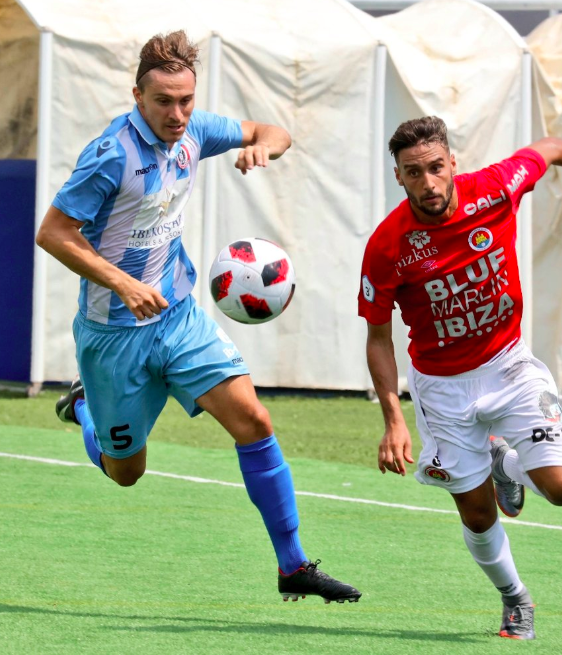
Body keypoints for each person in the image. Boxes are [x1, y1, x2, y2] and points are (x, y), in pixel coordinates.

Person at [36, 30, 360, 605]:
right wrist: (122, 283)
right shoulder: (110, 155)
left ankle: (292, 566)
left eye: (186, 100)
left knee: (254, 420)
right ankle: (85, 406)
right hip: (113, 338)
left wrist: (264, 148)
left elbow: (273, 131)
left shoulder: (195, 130)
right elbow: (54, 233)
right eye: (163, 101)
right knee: (125, 472)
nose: (177, 114)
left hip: (179, 318)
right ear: (138, 96)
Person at [358, 116, 562, 638]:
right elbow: (378, 338)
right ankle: (515, 598)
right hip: (442, 389)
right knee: (478, 514)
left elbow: (548, 148)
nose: (428, 182)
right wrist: (393, 419)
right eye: (414, 172)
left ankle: (504, 463)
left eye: (436, 167)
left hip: (509, 366)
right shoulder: (387, 245)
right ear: (399, 177)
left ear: (452, 163)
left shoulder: (494, 188)